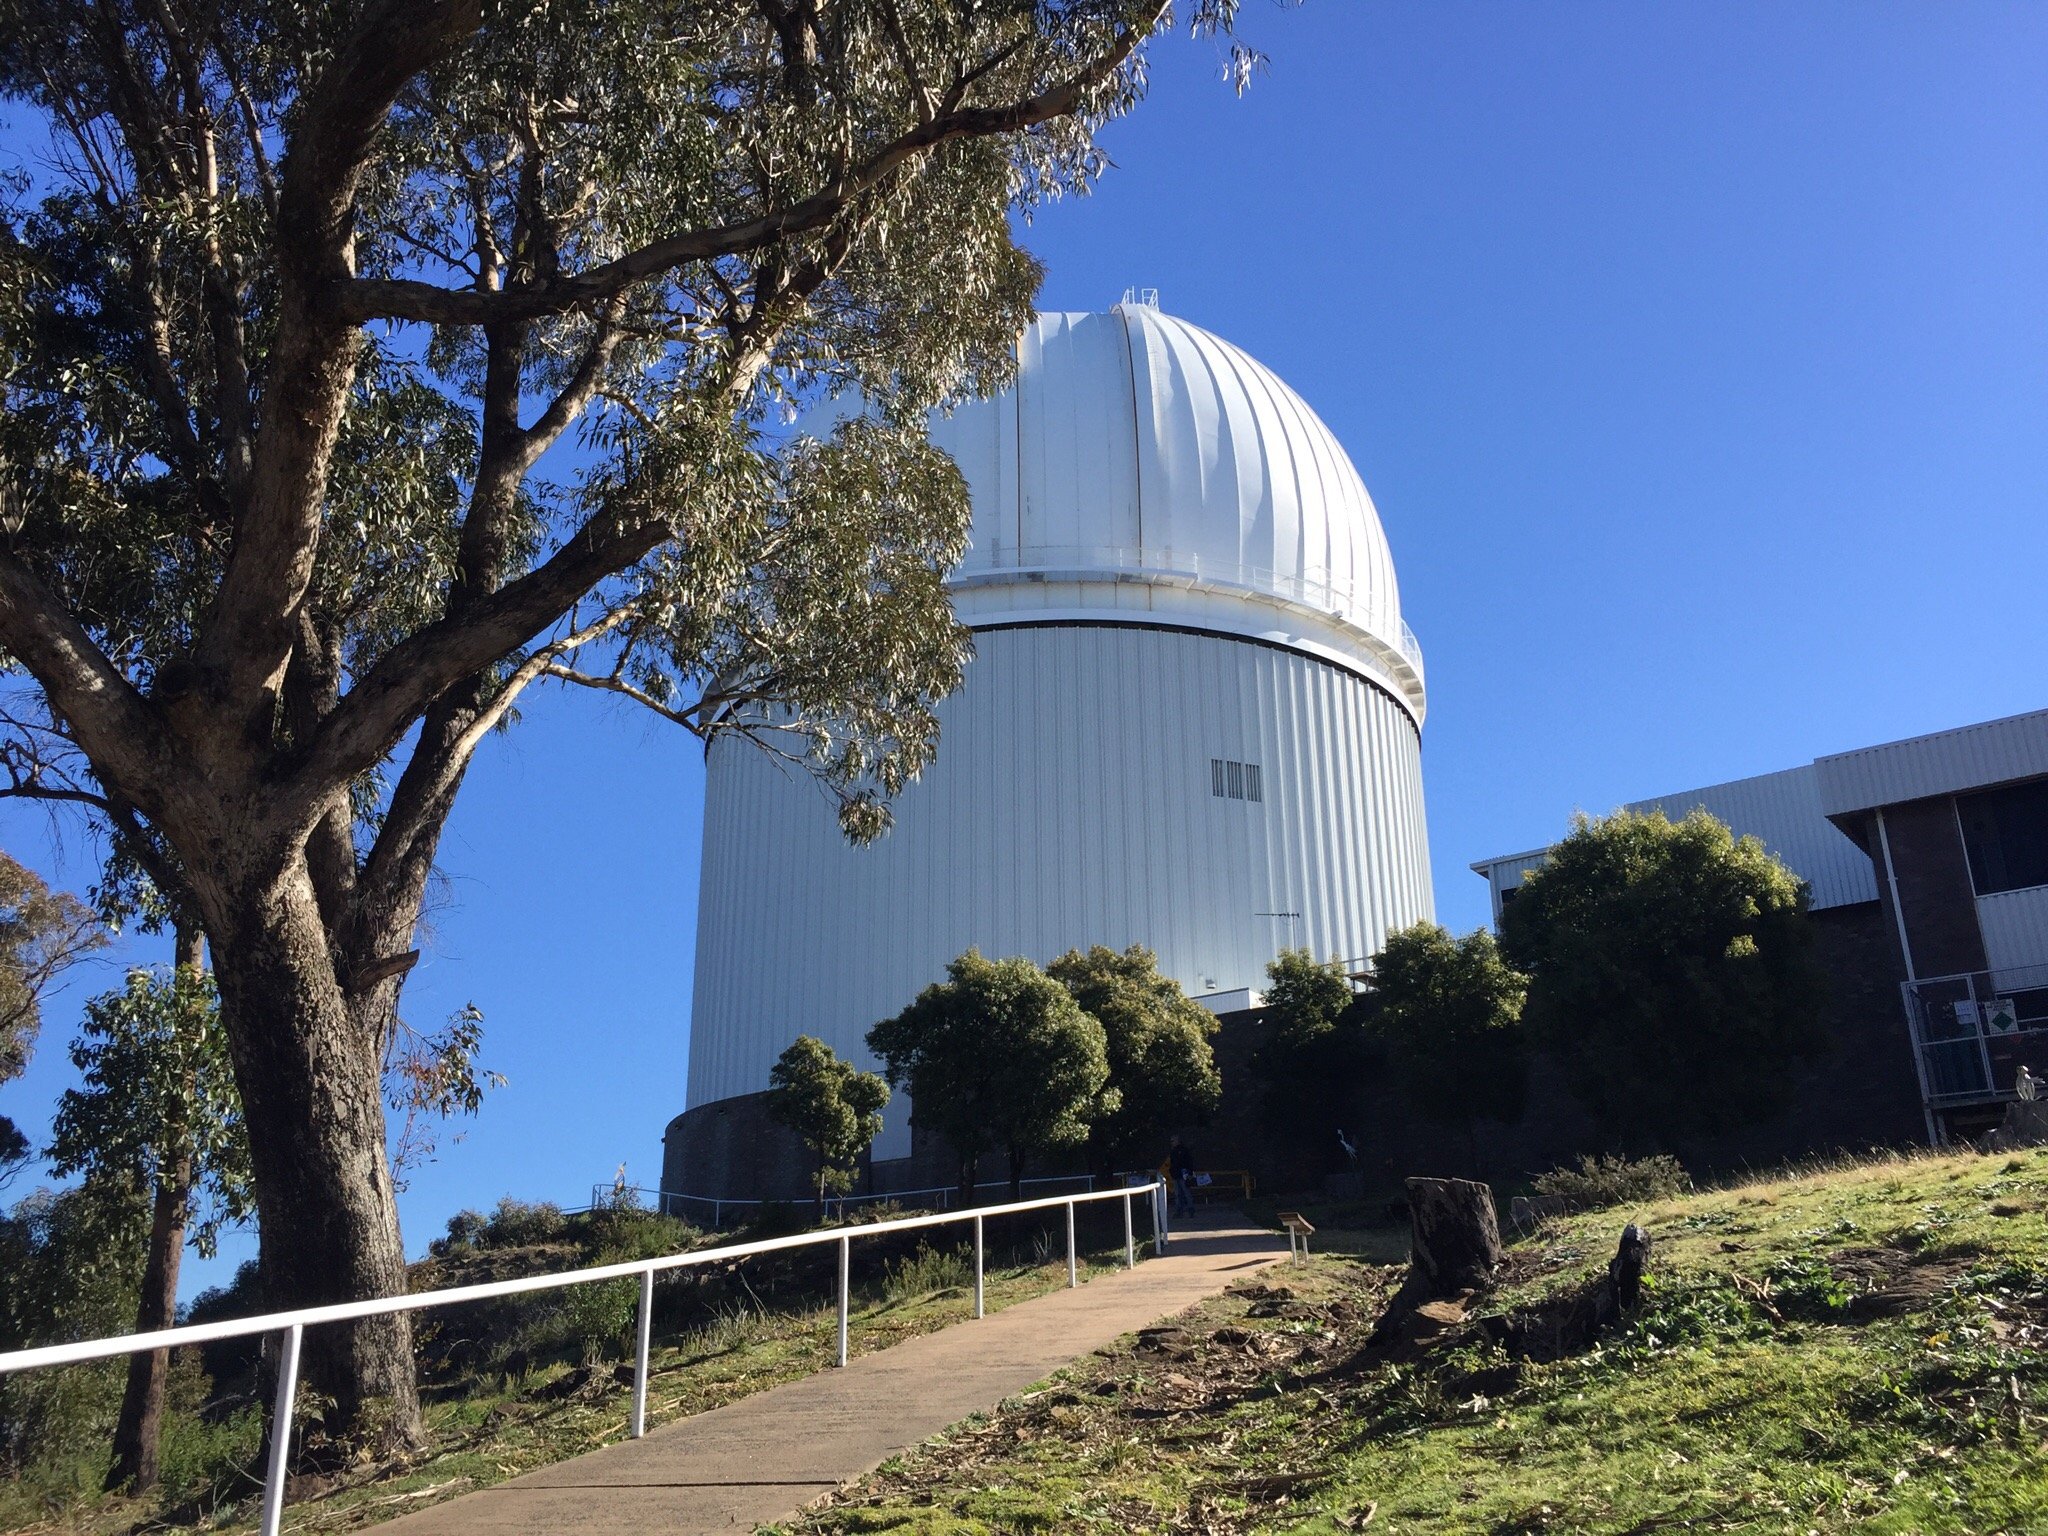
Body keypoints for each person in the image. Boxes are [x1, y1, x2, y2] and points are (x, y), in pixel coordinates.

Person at [1169, 1135, 1196, 1218]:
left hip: (1183, 1175)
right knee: (1177, 1194)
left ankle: (1190, 1210)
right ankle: (1179, 1211)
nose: (1172, 1142)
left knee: (1186, 1192)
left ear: (1178, 1141)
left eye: (1173, 1141)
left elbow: (1189, 1162)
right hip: (1175, 1175)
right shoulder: (1173, 1151)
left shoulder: (1184, 1150)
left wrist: (1190, 1173)